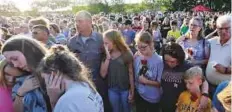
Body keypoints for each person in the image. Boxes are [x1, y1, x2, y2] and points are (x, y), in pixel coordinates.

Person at [37, 45, 104, 112]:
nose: (45, 84)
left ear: (54, 75)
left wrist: (53, 102)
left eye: (45, 78)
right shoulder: (85, 86)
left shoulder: (68, 101)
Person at [68, 10, 110, 112]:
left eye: (80, 21)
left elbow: (107, 58)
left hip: (100, 83)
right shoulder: (72, 42)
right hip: (80, 84)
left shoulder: (101, 39)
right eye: (75, 21)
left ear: (90, 22)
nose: (77, 24)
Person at [1, 36, 51, 112]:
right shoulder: (21, 80)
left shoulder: (56, 71)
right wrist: (21, 92)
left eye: (15, 59)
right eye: (11, 63)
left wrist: (54, 96)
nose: (15, 65)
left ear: (29, 50)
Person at [160, 42, 209, 112]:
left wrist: (205, 95)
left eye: (172, 61)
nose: (168, 63)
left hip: (183, 106)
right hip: (165, 104)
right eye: (166, 61)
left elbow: (203, 81)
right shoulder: (162, 63)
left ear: (179, 59)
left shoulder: (187, 66)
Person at [100, 29, 134, 112]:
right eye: (104, 43)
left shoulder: (127, 54)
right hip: (112, 90)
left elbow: (130, 73)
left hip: (125, 90)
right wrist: (108, 57)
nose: (104, 45)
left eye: (106, 43)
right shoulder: (105, 54)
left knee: (126, 110)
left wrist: (132, 91)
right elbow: (103, 74)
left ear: (115, 42)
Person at [134, 32, 163, 112]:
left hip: (152, 98)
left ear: (151, 44)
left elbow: (160, 83)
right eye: (138, 47)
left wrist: (146, 81)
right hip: (139, 94)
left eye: (143, 47)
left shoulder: (159, 61)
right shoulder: (137, 57)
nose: (140, 50)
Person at [206, 15, 231, 97]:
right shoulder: (212, 42)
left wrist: (226, 70)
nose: (223, 31)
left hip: (226, 90)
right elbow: (200, 41)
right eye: (220, 28)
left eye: (227, 28)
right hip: (208, 87)